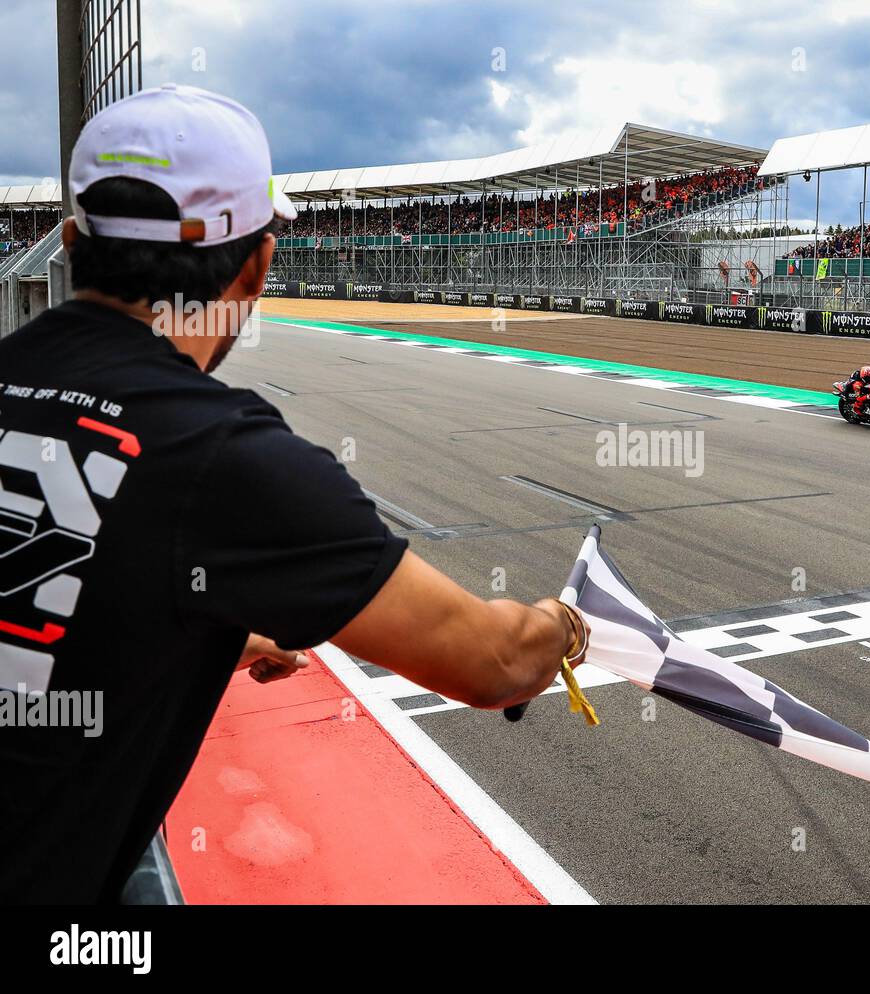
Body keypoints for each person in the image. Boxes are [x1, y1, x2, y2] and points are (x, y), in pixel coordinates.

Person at [0, 84, 587, 903]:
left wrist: (211, 636)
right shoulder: (224, 455)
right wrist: (569, 625)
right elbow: (491, 663)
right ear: (258, 267)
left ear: (70, 242)